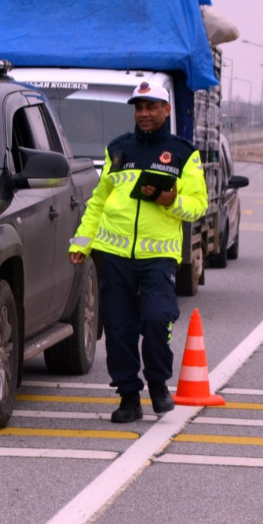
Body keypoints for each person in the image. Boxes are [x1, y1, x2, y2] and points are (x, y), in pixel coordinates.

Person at [68, 81, 209, 423]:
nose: (144, 114)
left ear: (166, 110)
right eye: (139, 107)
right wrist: (81, 241)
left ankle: (158, 383)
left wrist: (171, 200)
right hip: (114, 254)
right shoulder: (118, 149)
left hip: (158, 255)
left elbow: (198, 206)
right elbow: (99, 201)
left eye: (151, 107)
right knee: (118, 328)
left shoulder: (183, 152)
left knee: (158, 318)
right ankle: (129, 396)